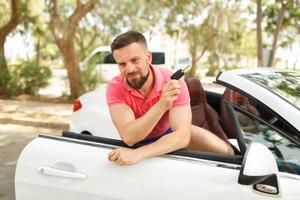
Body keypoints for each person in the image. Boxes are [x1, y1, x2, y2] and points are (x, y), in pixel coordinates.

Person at [106, 30, 233, 166]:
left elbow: (182, 136)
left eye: (135, 60)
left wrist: (139, 154)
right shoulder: (115, 88)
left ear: (148, 58)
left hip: (170, 134)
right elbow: (130, 137)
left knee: (228, 154)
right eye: (122, 64)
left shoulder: (172, 81)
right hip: (139, 140)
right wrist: (161, 105)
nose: (130, 69)